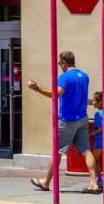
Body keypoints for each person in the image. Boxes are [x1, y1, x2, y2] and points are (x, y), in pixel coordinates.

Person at [27, 51, 99, 193]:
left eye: (60, 63)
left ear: (64, 62)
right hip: (82, 118)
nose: (59, 66)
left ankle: (45, 182)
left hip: (67, 120)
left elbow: (56, 93)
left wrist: (37, 88)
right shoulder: (85, 76)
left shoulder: (65, 77)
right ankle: (93, 183)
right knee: (86, 150)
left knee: (57, 151)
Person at [94, 91, 103, 190]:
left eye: (94, 100)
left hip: (99, 139)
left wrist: (92, 133)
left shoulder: (98, 114)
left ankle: (100, 181)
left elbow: (101, 128)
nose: (93, 102)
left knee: (94, 160)